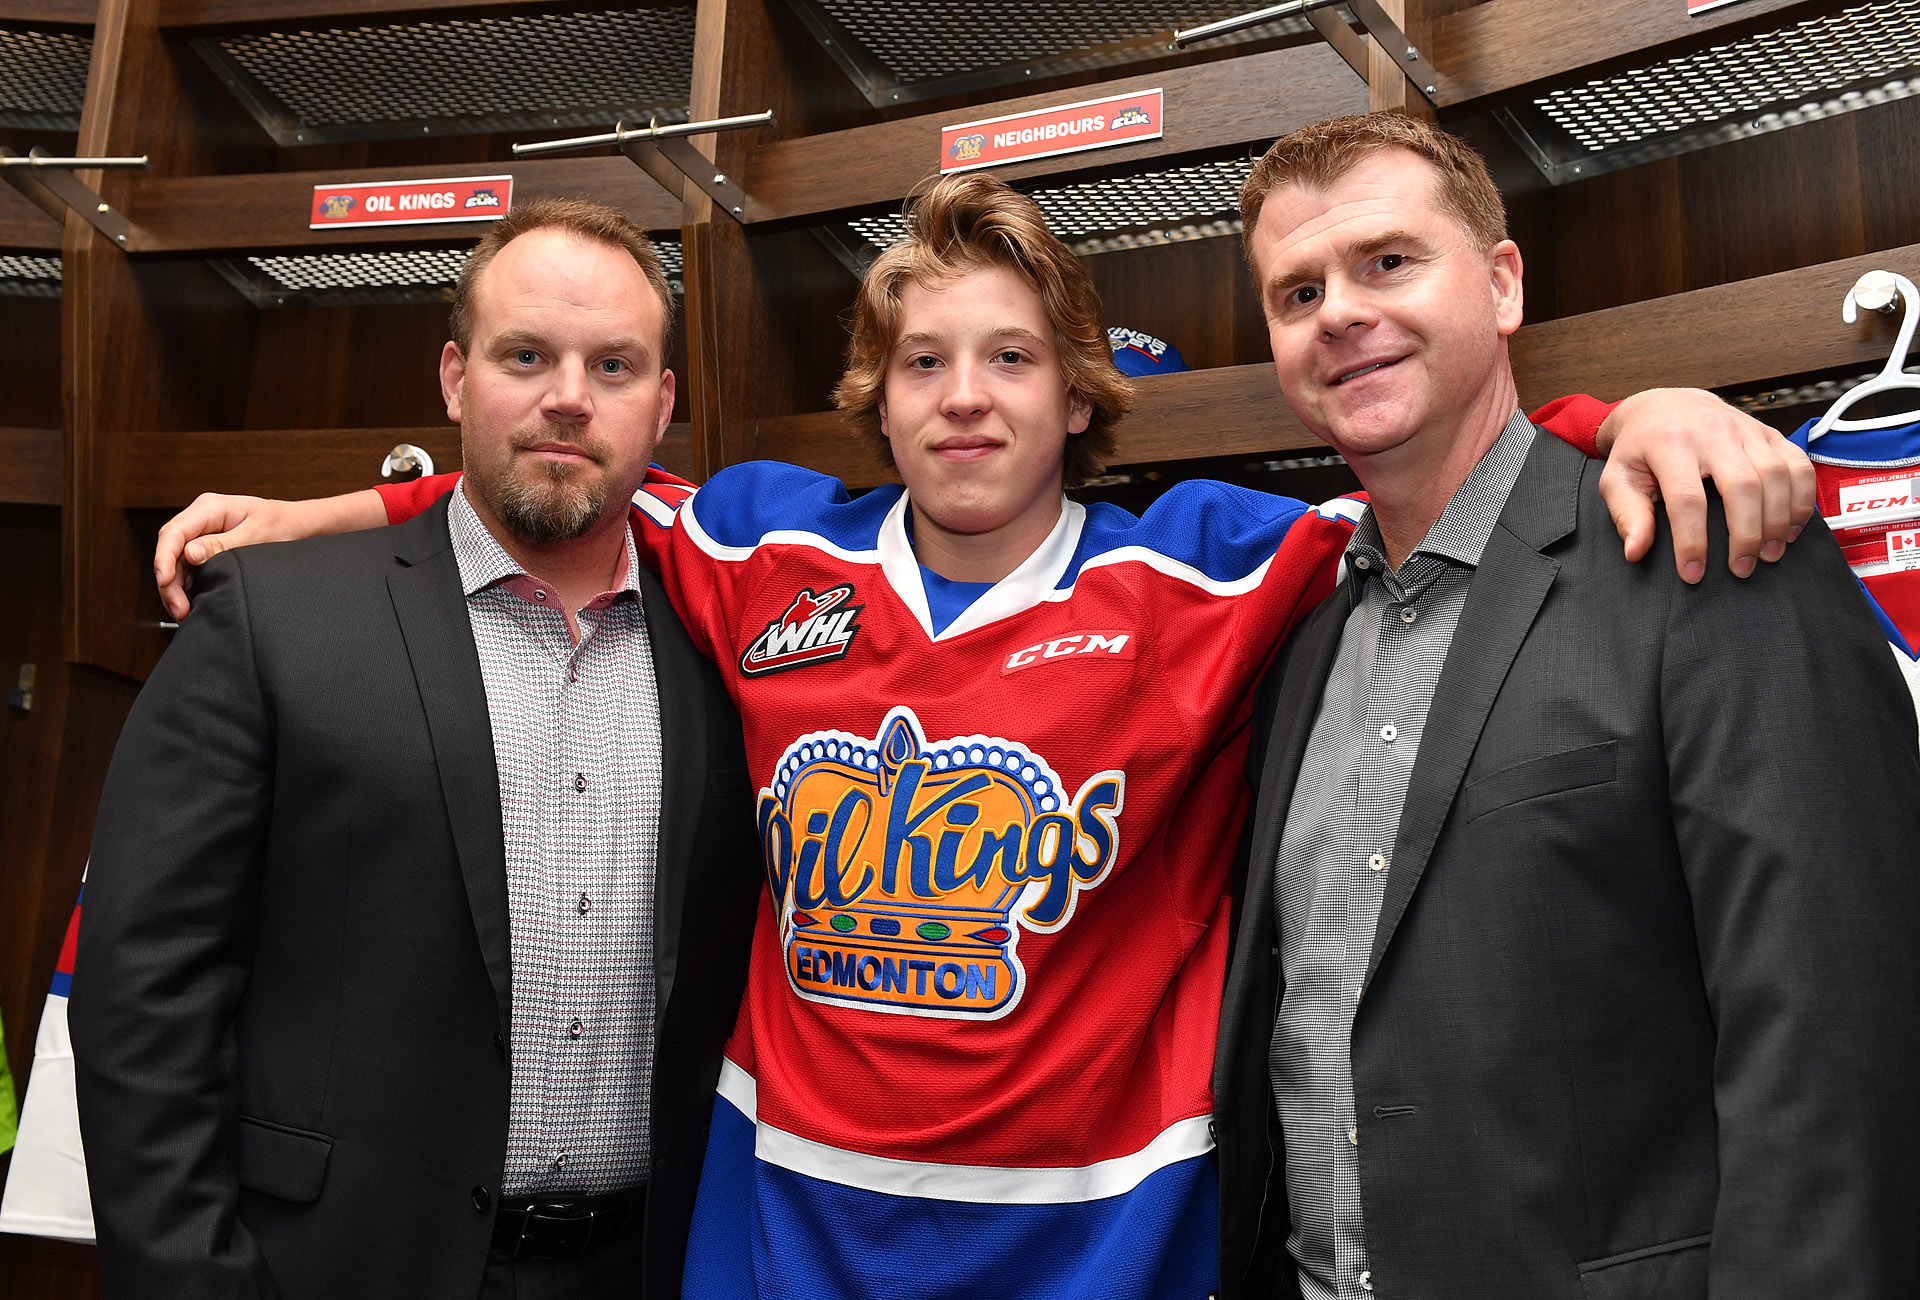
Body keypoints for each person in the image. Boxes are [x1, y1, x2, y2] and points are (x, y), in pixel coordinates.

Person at [148, 175, 1811, 1298]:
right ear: (874, 395)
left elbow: (1441, 476)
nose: (966, 397)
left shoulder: (1213, 565)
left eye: (1012, 357)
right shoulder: (760, 548)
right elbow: (548, 472)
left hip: (1097, 1232)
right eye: (925, 360)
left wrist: (1626, 410)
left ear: (1080, 395)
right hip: (778, 1210)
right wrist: (326, 515)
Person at [1214, 112, 1920, 1300]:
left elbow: (1840, 1057)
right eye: (1296, 293)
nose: (1338, 311)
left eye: (1388, 261)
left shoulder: (1708, 546)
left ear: (1500, 288)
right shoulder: (1299, 654)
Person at [71, 198, 762, 1300]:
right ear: (453, 377)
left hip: (652, 1269)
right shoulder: (273, 620)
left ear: (664, 401)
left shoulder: (739, 644)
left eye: (615, 366)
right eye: (525, 354)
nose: (568, 398)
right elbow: (143, 994)